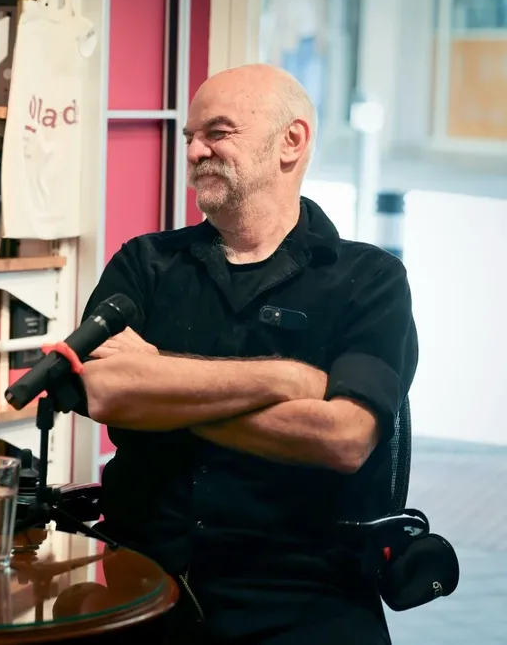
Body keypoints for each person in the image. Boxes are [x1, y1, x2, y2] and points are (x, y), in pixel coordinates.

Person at [77, 64, 417, 644]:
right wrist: (288, 379)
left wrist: (159, 381)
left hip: (306, 598)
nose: (195, 151)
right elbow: (103, 391)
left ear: (292, 141)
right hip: (144, 586)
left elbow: (343, 437)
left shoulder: (369, 279)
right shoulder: (145, 265)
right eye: (190, 137)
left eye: (218, 132)